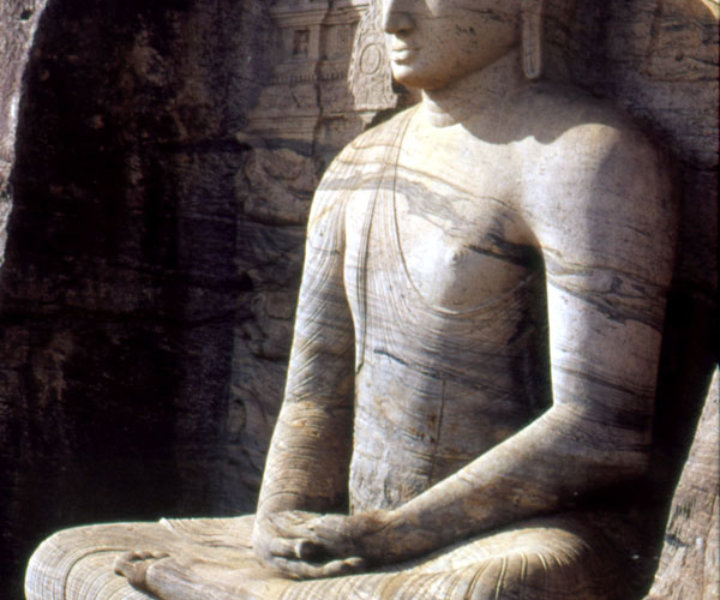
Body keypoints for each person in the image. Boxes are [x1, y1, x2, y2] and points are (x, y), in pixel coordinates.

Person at [26, 0, 675, 598]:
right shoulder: (359, 165)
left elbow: (599, 431)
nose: (392, 20)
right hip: (356, 537)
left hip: (506, 535)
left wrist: (396, 533)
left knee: (490, 591)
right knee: (62, 560)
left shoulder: (584, 153)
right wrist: (278, 525)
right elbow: (314, 398)